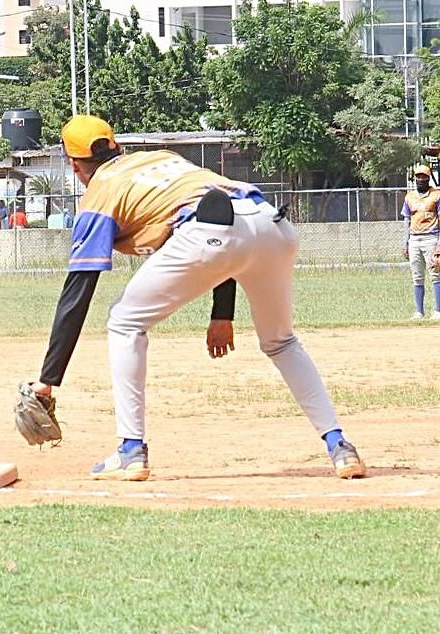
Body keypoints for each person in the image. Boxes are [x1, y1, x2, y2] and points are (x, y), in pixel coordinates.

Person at [28, 115, 365, 482]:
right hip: (272, 223)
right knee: (281, 341)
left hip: (212, 233)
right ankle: (339, 445)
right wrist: (223, 314)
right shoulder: (161, 158)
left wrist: (48, 379)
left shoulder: (99, 194)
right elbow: (222, 210)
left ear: (74, 165)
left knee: (125, 321)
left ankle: (131, 450)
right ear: (117, 147)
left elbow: (79, 289)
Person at [401, 164, 440, 320]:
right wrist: (405, 243)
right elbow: (406, 220)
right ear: (415, 178)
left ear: (429, 178)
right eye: (418, 176)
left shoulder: (436, 195)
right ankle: (419, 312)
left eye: (424, 176)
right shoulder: (409, 197)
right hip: (414, 239)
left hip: (432, 237)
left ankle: (437, 311)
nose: (421, 179)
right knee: (417, 276)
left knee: (436, 274)